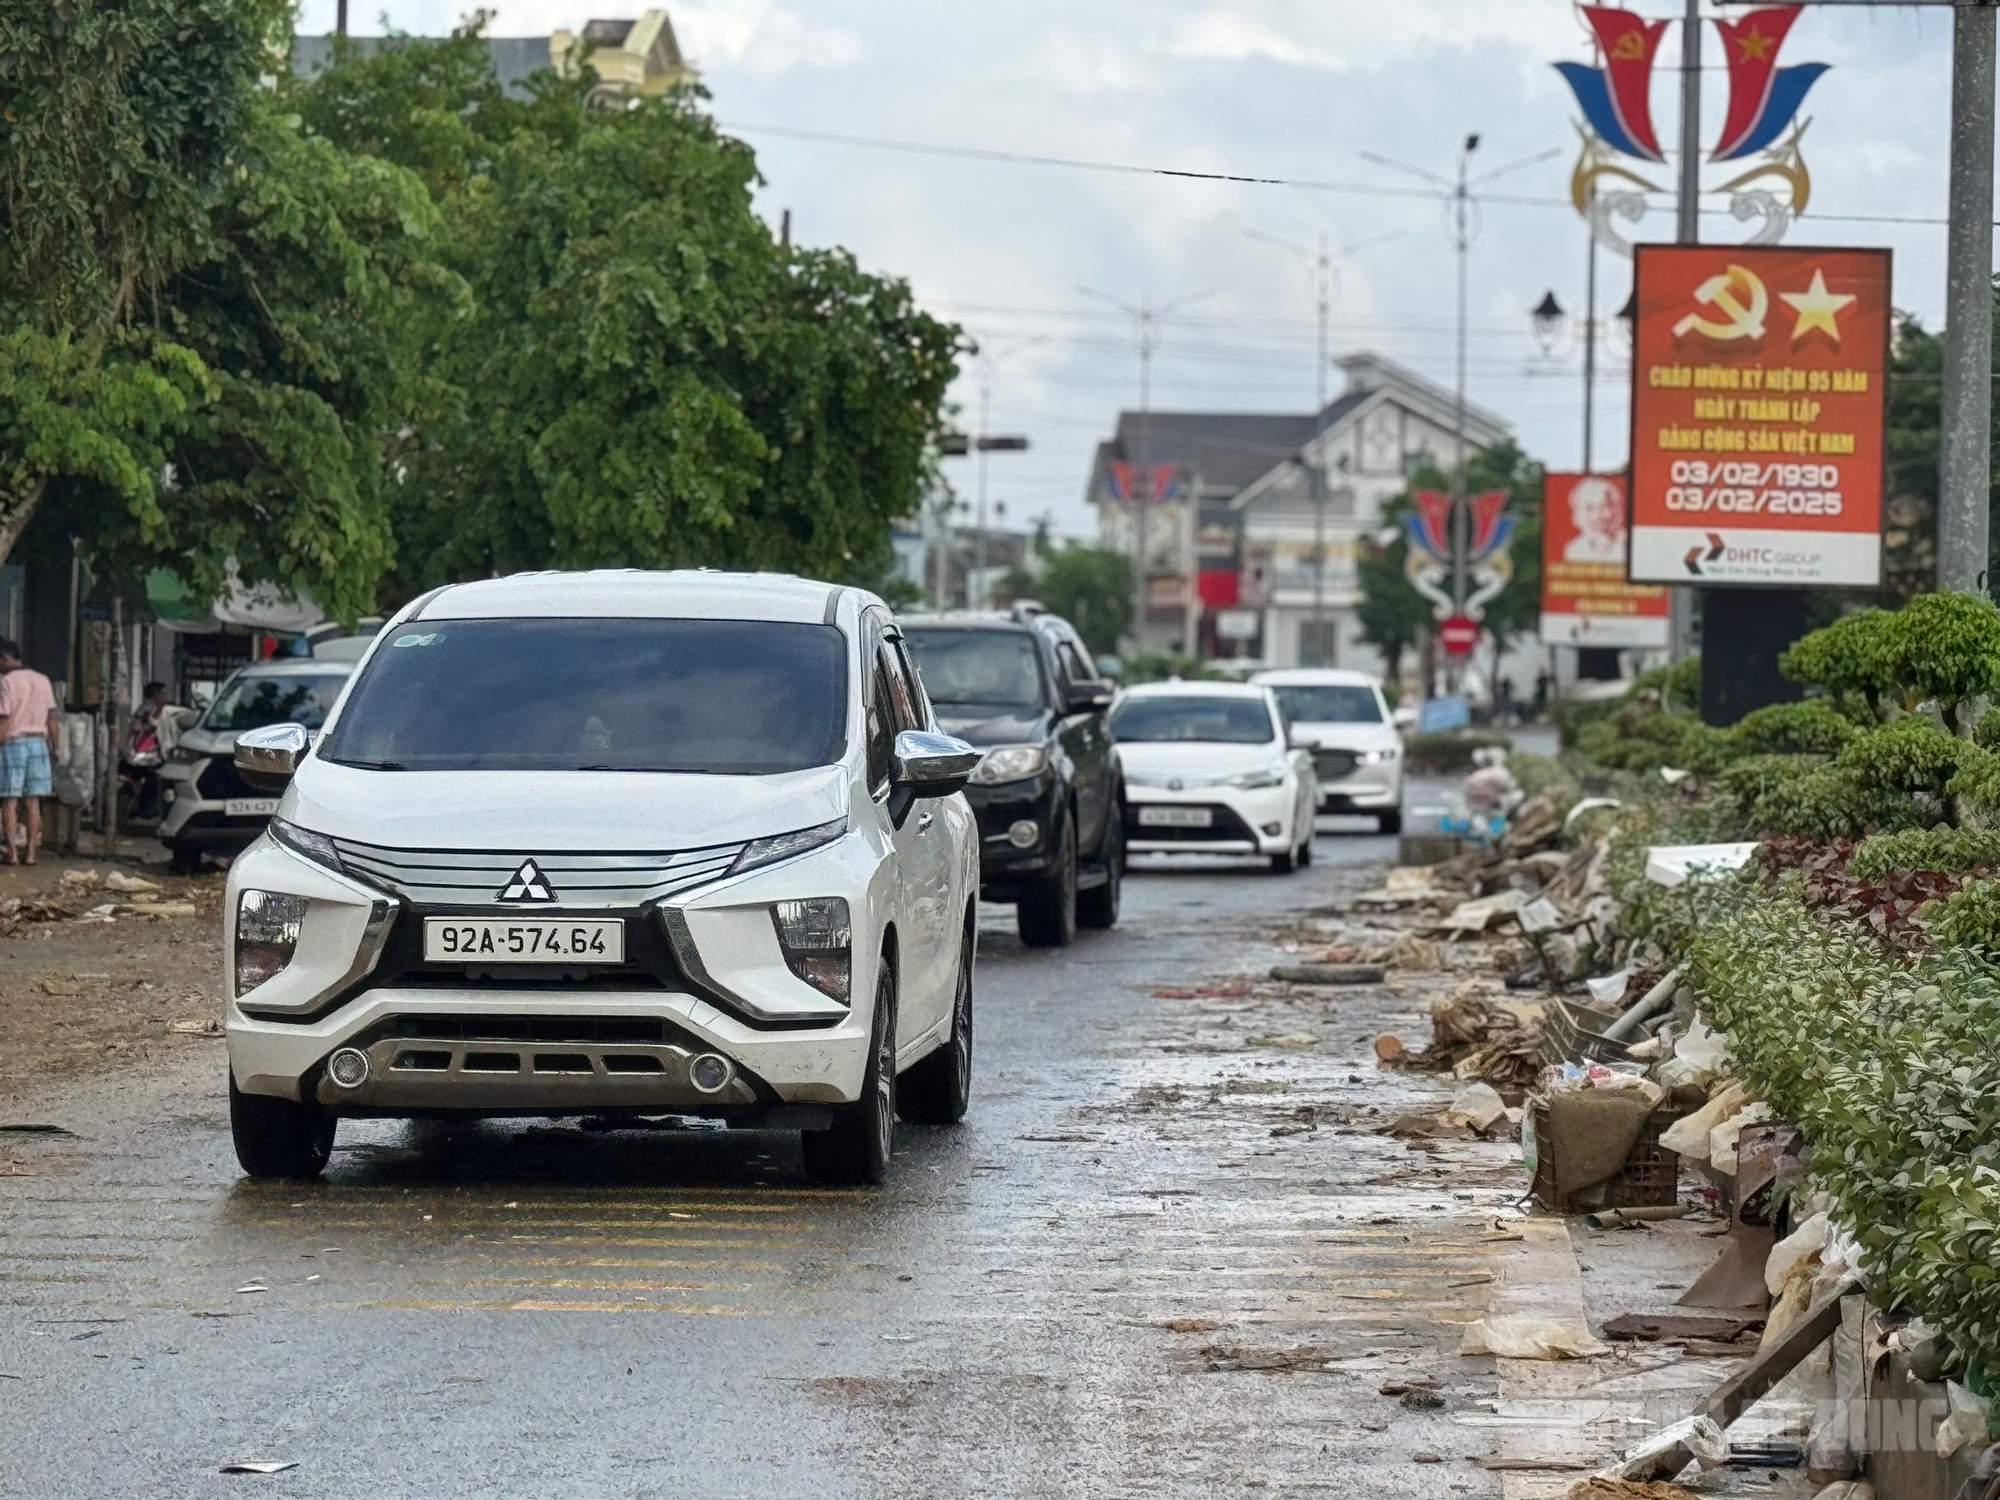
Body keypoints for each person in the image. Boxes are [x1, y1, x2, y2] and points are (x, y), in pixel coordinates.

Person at [0, 637, 60, 866]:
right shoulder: (43, 680)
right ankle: (32, 854)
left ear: (5, 659)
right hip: (39, 744)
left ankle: (12, 853)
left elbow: (4, 719)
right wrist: (57, 748)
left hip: (13, 743)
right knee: (33, 802)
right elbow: (52, 719)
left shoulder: (7, 681)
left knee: (9, 801)